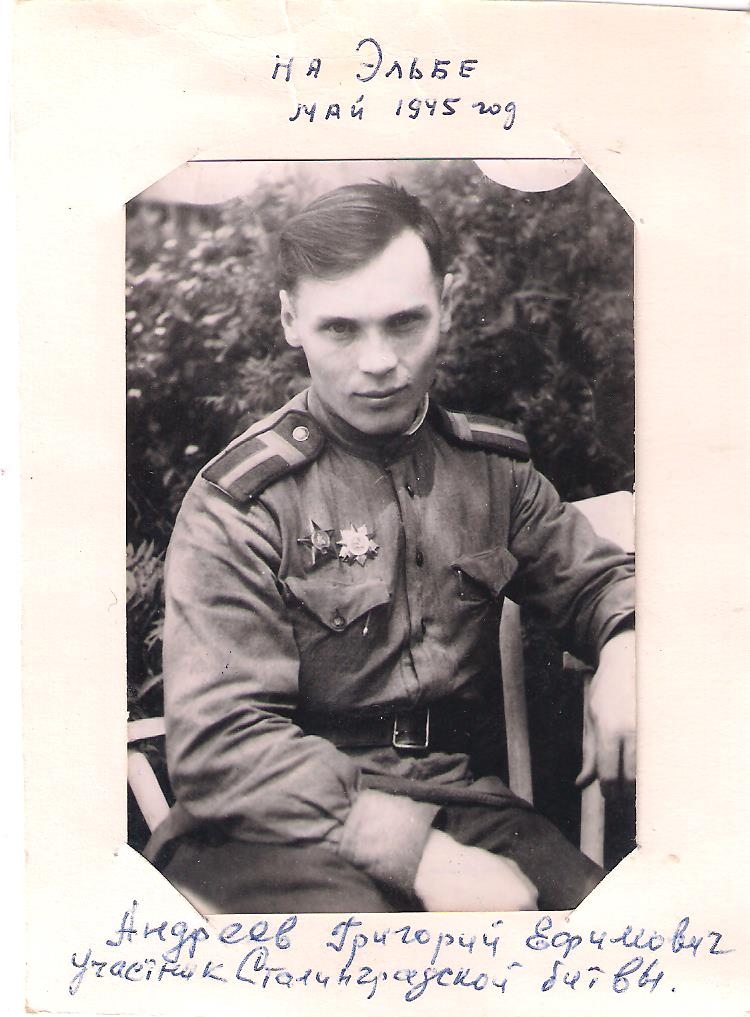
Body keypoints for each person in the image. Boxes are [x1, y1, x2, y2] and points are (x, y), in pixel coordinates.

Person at [151, 182, 635, 914]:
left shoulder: (492, 471)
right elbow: (221, 742)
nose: (378, 361)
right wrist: (419, 855)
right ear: (290, 320)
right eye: (341, 329)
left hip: (461, 802)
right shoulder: (242, 502)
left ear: (448, 303)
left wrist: (626, 645)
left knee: (599, 928)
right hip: (269, 828)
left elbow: (596, 581)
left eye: (405, 321)